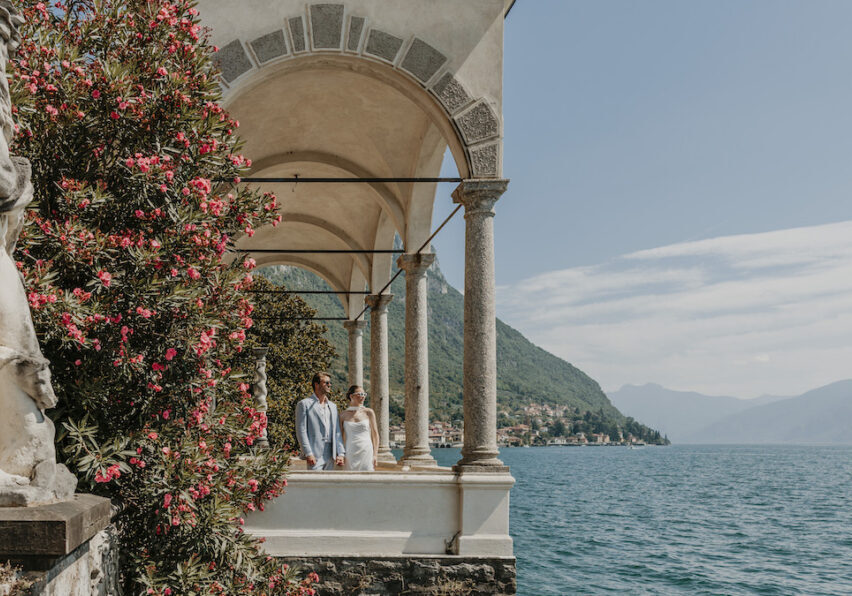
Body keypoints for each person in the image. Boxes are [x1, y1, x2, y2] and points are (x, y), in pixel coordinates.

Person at [295, 372, 345, 470]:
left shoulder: (333, 406)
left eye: (330, 383)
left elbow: (337, 431)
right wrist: (308, 453)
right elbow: (301, 431)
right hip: (314, 453)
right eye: (326, 383)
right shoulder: (304, 404)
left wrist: (341, 453)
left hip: (331, 453)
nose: (329, 385)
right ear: (316, 384)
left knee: (328, 484)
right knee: (315, 484)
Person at [339, 385, 379, 471]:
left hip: (366, 450)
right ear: (351, 396)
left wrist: (375, 455)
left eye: (364, 394)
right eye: (360, 394)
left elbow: (375, 435)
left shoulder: (369, 412)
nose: (363, 396)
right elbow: (340, 437)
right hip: (350, 451)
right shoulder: (342, 415)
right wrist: (341, 454)